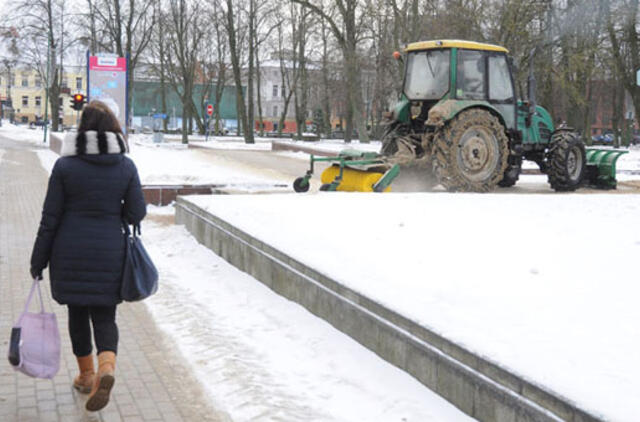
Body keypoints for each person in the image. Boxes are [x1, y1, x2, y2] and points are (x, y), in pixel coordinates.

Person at [30, 100, 146, 412]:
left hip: (68, 251)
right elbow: (138, 212)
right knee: (105, 315)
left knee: (78, 314)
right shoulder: (125, 166)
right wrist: (113, 212)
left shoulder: (65, 166)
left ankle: (85, 375)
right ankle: (106, 367)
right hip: (110, 252)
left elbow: (49, 217)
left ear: (82, 129)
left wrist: (37, 260)